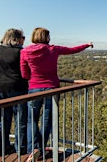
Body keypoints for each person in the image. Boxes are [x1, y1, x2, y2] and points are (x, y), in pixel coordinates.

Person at [20, 27, 93, 161]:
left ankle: (34, 149)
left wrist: (34, 77)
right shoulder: (53, 49)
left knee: (31, 119)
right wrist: (87, 45)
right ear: (46, 37)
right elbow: (72, 50)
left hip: (34, 89)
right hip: (52, 88)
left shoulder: (25, 52)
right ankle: (40, 150)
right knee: (47, 120)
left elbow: (24, 74)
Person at [0, 28, 28, 157]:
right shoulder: (21, 52)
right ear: (16, 38)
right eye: (23, 37)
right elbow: (26, 72)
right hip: (17, 89)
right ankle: (20, 148)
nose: (24, 40)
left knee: (1, 120)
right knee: (20, 120)